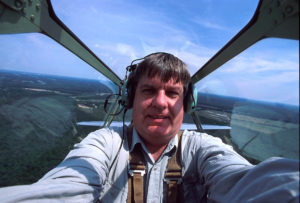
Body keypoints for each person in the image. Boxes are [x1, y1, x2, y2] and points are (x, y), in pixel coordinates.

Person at [0, 52, 299, 202]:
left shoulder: (201, 149)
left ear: (187, 104)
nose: (160, 102)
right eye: (148, 91)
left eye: (172, 93)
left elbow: (246, 181)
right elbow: (67, 186)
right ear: (132, 97)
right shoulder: (106, 143)